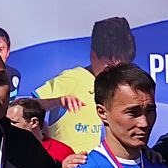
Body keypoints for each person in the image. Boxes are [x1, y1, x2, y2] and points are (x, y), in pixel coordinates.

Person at [33, 16, 136, 153]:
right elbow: (28, 106)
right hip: (63, 162)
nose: (115, 74)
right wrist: (56, 101)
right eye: (109, 67)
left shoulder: (119, 88)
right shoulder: (72, 79)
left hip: (94, 163)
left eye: (121, 68)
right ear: (93, 56)